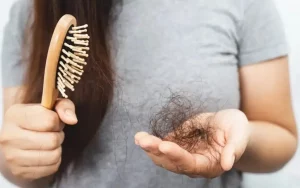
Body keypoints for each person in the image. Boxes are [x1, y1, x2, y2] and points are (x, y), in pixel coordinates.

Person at [0, 0, 297, 187]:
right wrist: (17, 156)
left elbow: (281, 138)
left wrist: (234, 142)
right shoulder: (31, 10)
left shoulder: (245, 4)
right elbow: (23, 172)